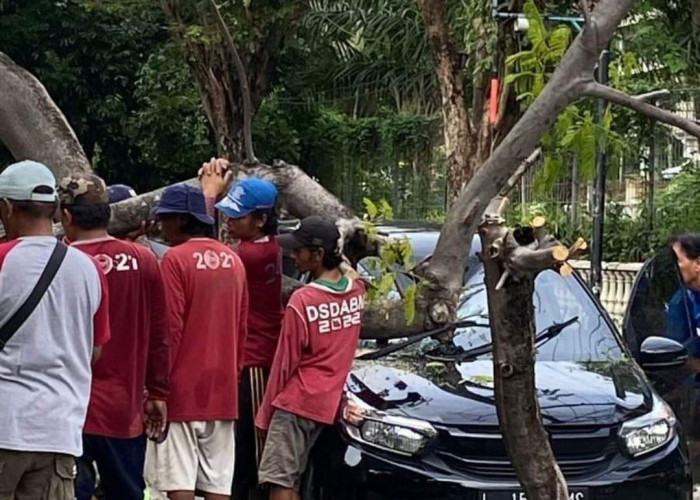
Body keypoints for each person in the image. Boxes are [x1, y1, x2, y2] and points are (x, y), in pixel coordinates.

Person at [0, 160, 110, 500]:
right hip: (59, 433)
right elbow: (96, 351)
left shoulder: (3, 259)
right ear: (57, 211)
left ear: (5, 207)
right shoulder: (89, 269)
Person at [58, 173, 170, 500]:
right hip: (124, 409)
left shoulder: (59, 263)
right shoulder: (144, 260)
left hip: (68, 411)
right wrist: (159, 392)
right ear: (108, 212)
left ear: (65, 215)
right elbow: (160, 333)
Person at [146, 183, 248, 500]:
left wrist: (156, 390)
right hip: (223, 389)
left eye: (165, 218)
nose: (161, 226)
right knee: (217, 484)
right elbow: (242, 329)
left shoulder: (175, 261)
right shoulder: (234, 261)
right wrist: (234, 377)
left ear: (181, 220)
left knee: (179, 482)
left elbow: (168, 331)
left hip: (182, 390)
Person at [255, 215, 365, 500]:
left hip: (296, 401)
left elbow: (284, 363)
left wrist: (265, 417)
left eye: (300, 250)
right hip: (328, 402)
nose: (293, 255)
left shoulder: (303, 301)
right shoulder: (357, 291)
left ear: (317, 254)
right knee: (299, 479)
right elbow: (350, 272)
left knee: (280, 478)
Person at [200, 169, 284, 500]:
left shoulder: (249, 255)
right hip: (256, 353)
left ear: (260, 220)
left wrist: (208, 195)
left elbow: (205, 250)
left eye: (238, 216)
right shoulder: (270, 245)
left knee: (247, 450)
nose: (230, 220)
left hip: (254, 361)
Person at [666, 232, 700, 368]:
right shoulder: (680, 301)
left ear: (697, 263)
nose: (675, 267)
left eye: (679, 261)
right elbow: (677, 357)